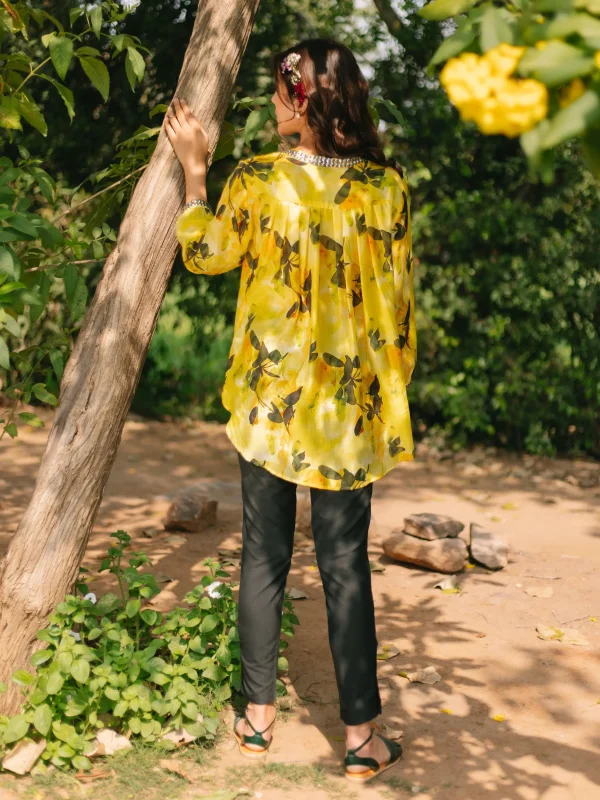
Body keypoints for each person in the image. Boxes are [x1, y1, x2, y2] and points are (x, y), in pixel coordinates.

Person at [164, 37, 416, 783]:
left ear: (302, 99)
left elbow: (204, 254)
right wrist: (387, 390)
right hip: (346, 416)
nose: (272, 104)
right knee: (346, 569)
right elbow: (399, 312)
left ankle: (256, 722)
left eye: (280, 92)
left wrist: (195, 174)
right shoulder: (387, 192)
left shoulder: (256, 182)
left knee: (264, 559)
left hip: (272, 406)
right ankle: (362, 739)